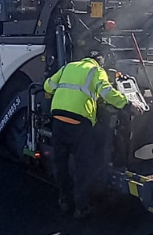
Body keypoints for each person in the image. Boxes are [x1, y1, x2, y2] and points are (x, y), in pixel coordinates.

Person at [44, 51, 143, 219]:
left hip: (58, 121)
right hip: (79, 124)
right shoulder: (96, 70)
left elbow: (48, 86)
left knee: (61, 164)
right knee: (83, 166)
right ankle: (81, 207)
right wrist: (127, 104)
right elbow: (107, 92)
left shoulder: (68, 67)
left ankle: (64, 200)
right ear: (99, 62)